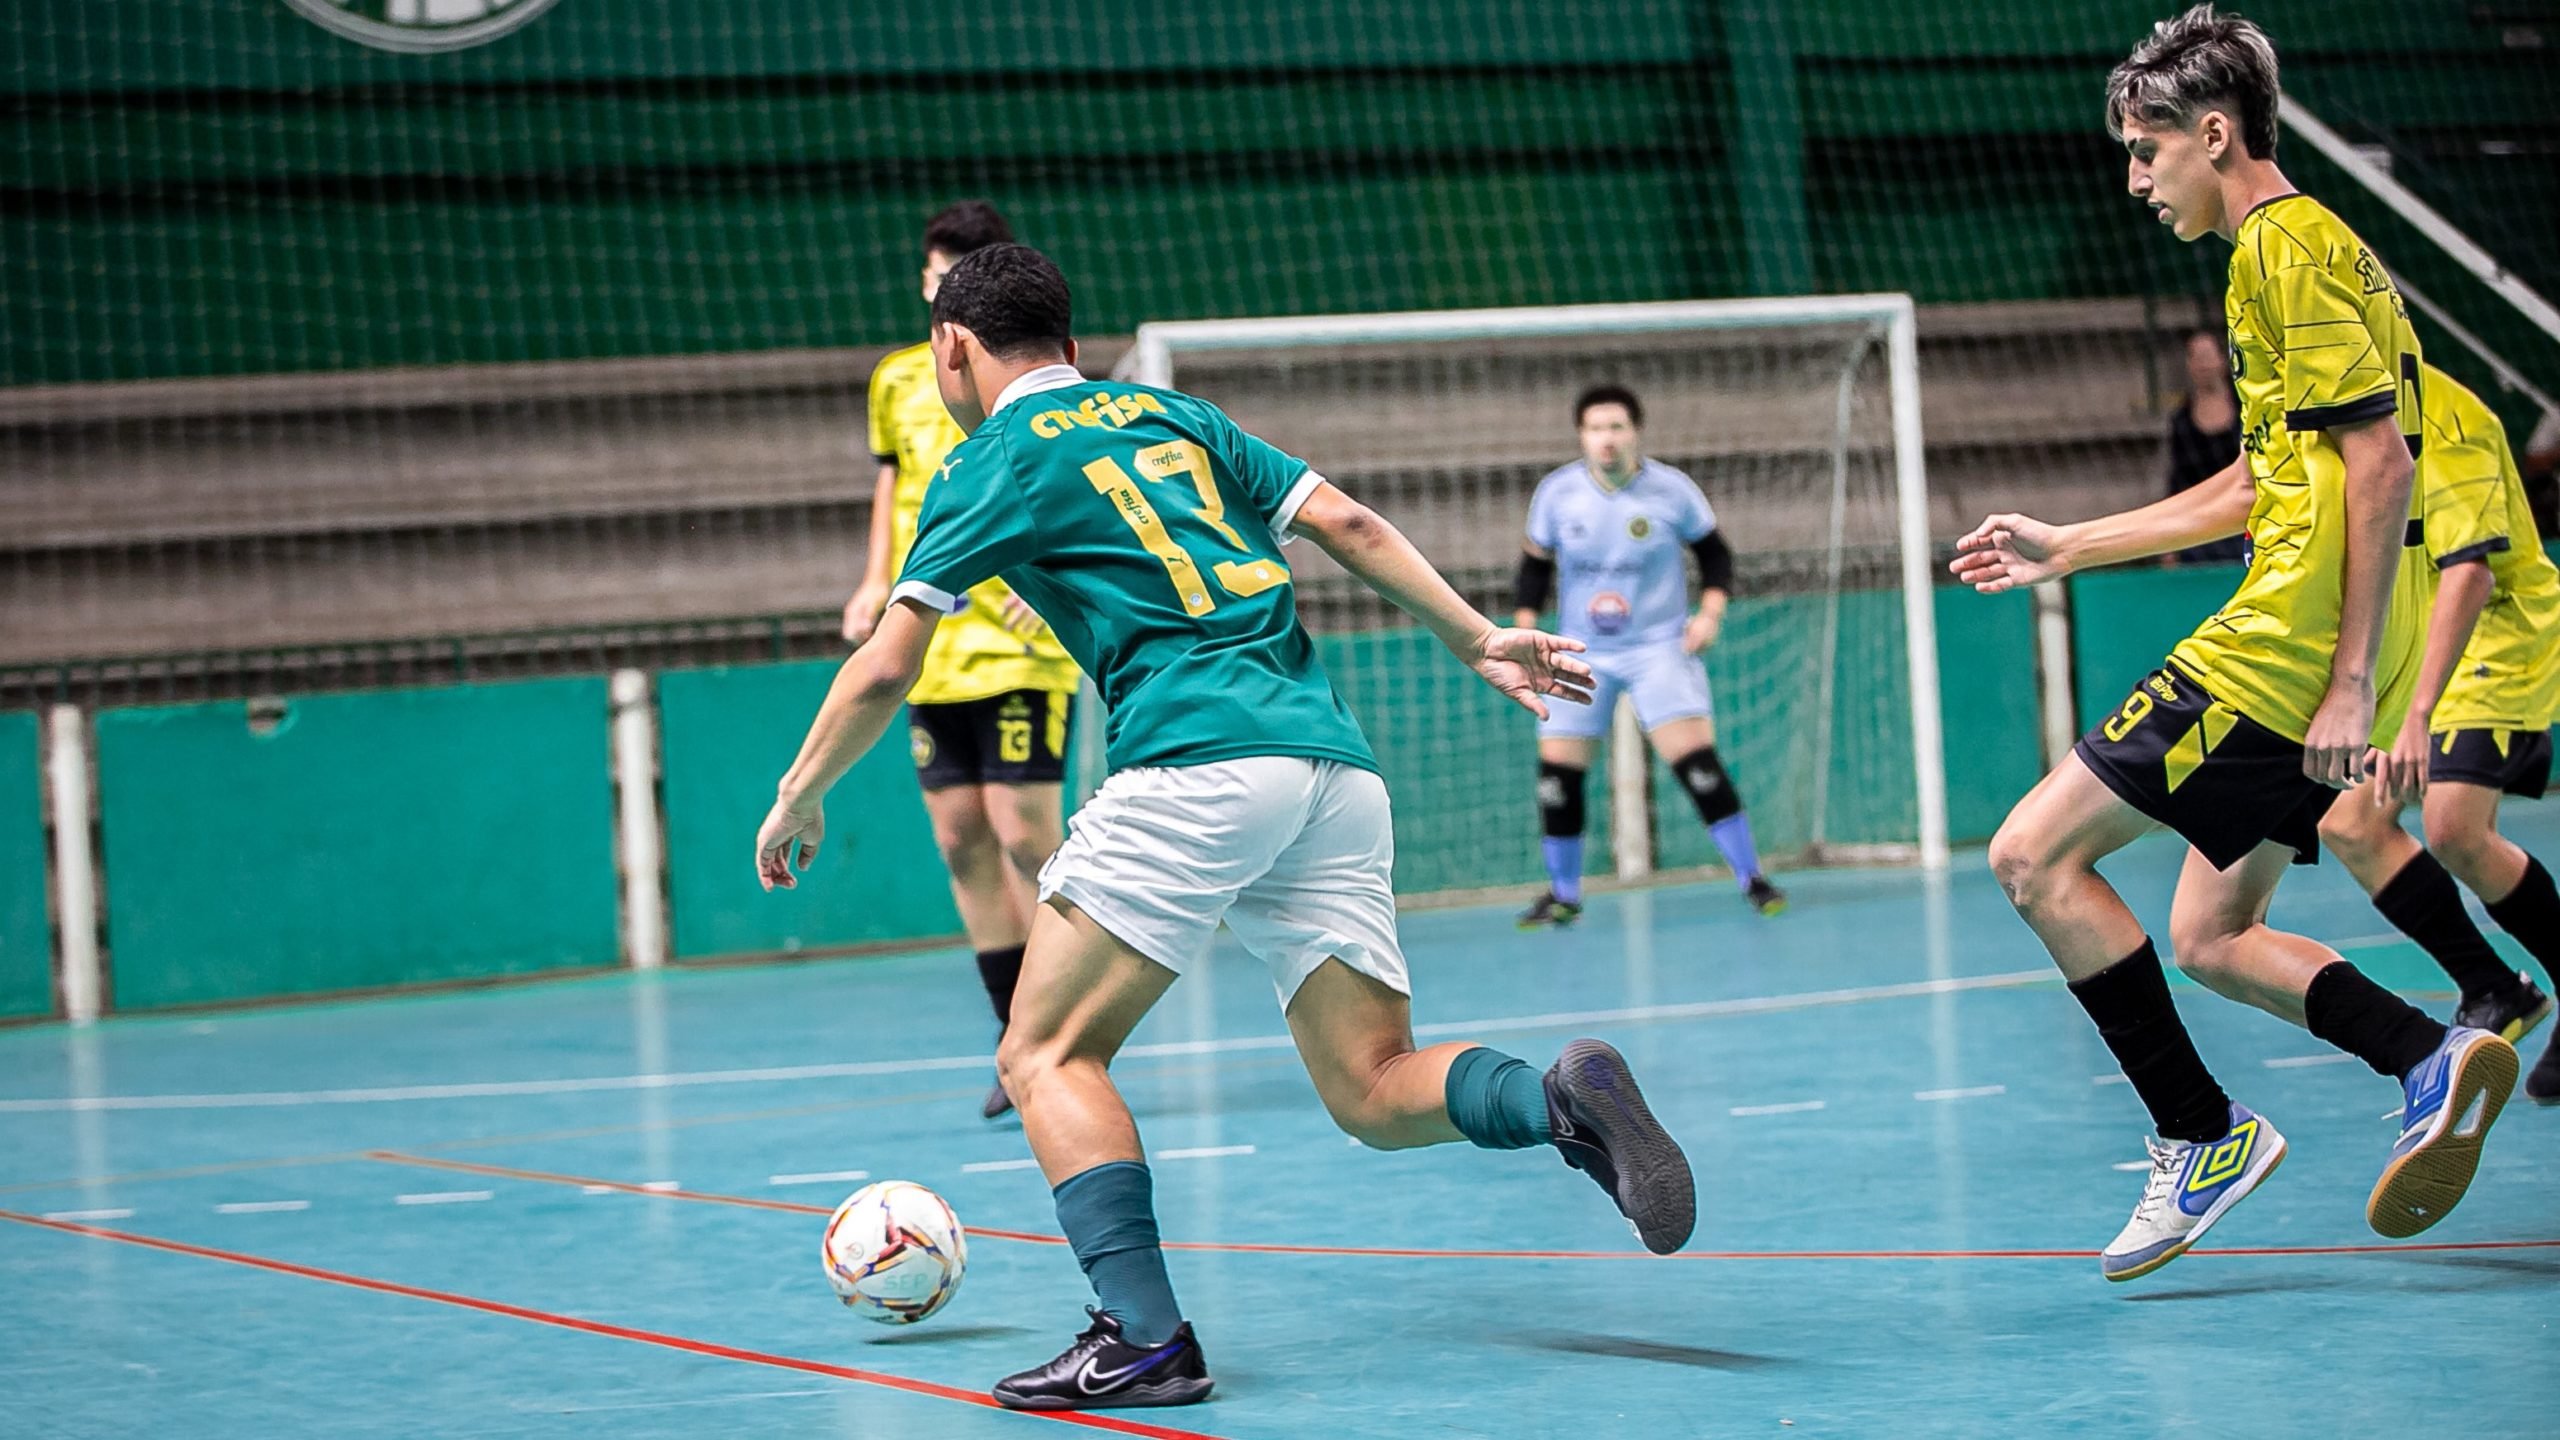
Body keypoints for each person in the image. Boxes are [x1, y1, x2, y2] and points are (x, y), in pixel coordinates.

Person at [757, 244, 1696, 1410]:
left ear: (951, 347)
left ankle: (1143, 1338)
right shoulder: (1174, 414)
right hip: (1330, 766)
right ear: (1068, 339)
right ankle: (1555, 1101)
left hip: (1192, 764)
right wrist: (1474, 635)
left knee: (1044, 1054)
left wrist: (799, 792)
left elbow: (884, 666)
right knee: (1373, 1086)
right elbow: (1345, 521)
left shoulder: (985, 457)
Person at [1949, 5, 2517, 1284]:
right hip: (2320, 639)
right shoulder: (2309, 248)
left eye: (2146, 150)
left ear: (2214, 135)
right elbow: (2273, 478)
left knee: (2030, 857)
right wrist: (2074, 543)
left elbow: (2379, 464)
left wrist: (2348, 683)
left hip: (2281, 649)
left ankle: (2200, 1135)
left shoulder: (2278, 251)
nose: (2135, 180)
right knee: (2211, 933)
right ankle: (2425, 1056)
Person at [839, 201, 1083, 1120]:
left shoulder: (1033, 382)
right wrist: (874, 579)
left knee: (1025, 833)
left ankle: (1075, 1014)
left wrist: (1053, 574)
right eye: (933, 273)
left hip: (1018, 642)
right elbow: (893, 482)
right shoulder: (897, 380)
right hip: (933, 640)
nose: (938, 288)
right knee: (960, 839)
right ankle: (1014, 1039)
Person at [2317, 362, 2560, 1102]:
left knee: (2454, 824)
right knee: (2351, 824)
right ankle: (2492, 986)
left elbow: (2471, 574)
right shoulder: (2335, 412)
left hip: (2498, 634)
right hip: (2421, 639)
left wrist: (2415, 716)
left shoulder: (2448, 418)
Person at [1511, 385, 1785, 926]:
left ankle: (1753, 878)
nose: (1606, 439)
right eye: (1595, 428)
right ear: (1581, 436)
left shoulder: (1672, 491)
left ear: (1635, 432)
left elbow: (1715, 555)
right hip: (1580, 650)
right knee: (1557, 776)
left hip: (1658, 647)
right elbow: (1534, 568)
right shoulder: (1557, 493)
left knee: (1697, 763)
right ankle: (1564, 894)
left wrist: (1709, 615)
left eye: (1616, 427)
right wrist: (1524, 634)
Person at [2163, 328, 2248, 564]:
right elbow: (2178, 482)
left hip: (2244, 518)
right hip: (2201, 525)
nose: (2203, 364)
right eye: (2197, 357)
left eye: (2208, 356)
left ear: (2222, 361)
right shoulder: (2181, 422)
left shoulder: (2246, 411)